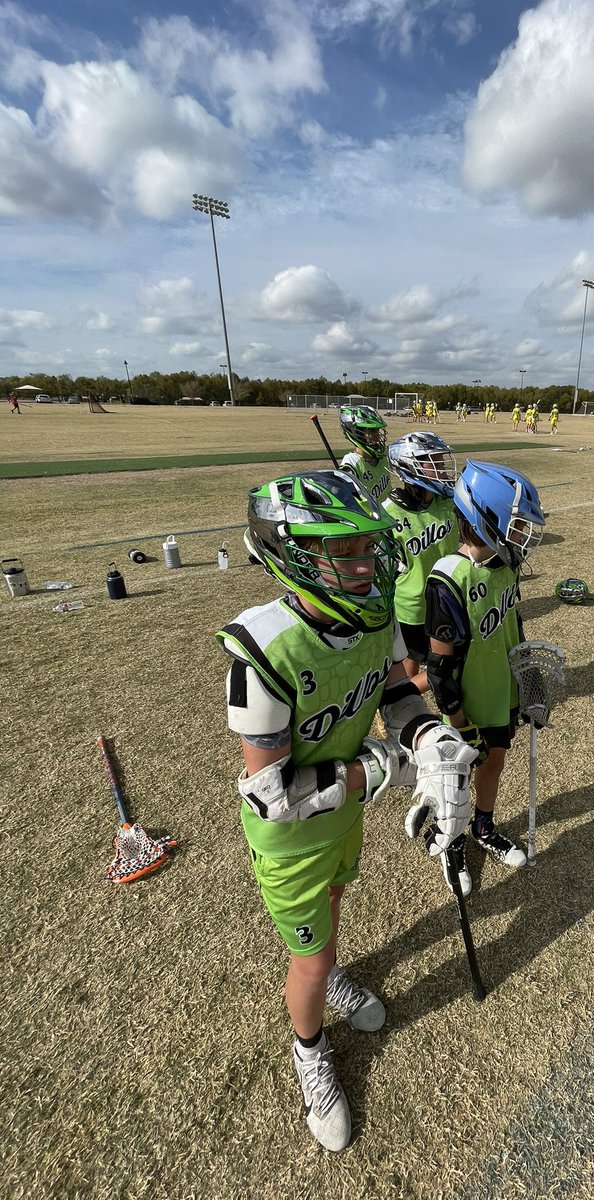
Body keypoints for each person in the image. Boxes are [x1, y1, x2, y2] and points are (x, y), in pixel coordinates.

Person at [217, 470, 478, 1153]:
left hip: (344, 816)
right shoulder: (263, 649)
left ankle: (331, 975)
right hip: (290, 839)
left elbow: (398, 695)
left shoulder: (372, 612)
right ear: (295, 555)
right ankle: (309, 1052)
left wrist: (437, 745)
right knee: (305, 959)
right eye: (346, 551)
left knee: (335, 908)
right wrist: (387, 765)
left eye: (368, 546)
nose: (367, 564)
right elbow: (274, 793)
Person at [424, 460, 545, 895]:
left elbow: (514, 625)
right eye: (515, 528)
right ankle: (451, 837)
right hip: (466, 701)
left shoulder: (506, 565)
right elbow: (439, 669)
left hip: (501, 691)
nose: (521, 539)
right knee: (456, 777)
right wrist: (457, 721)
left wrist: (528, 683)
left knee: (494, 761)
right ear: (483, 520)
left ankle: (482, 826)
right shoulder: (448, 580)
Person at [383, 432, 459, 691]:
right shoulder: (388, 515)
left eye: (441, 459)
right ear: (408, 465)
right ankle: (399, 702)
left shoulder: (447, 502)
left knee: (450, 660)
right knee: (410, 659)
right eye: (432, 460)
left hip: (449, 598)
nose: (441, 466)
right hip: (413, 607)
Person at [338, 404, 391, 504]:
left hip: (389, 516)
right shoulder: (352, 462)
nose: (377, 436)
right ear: (355, 432)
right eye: (371, 431)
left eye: (377, 430)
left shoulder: (382, 457)